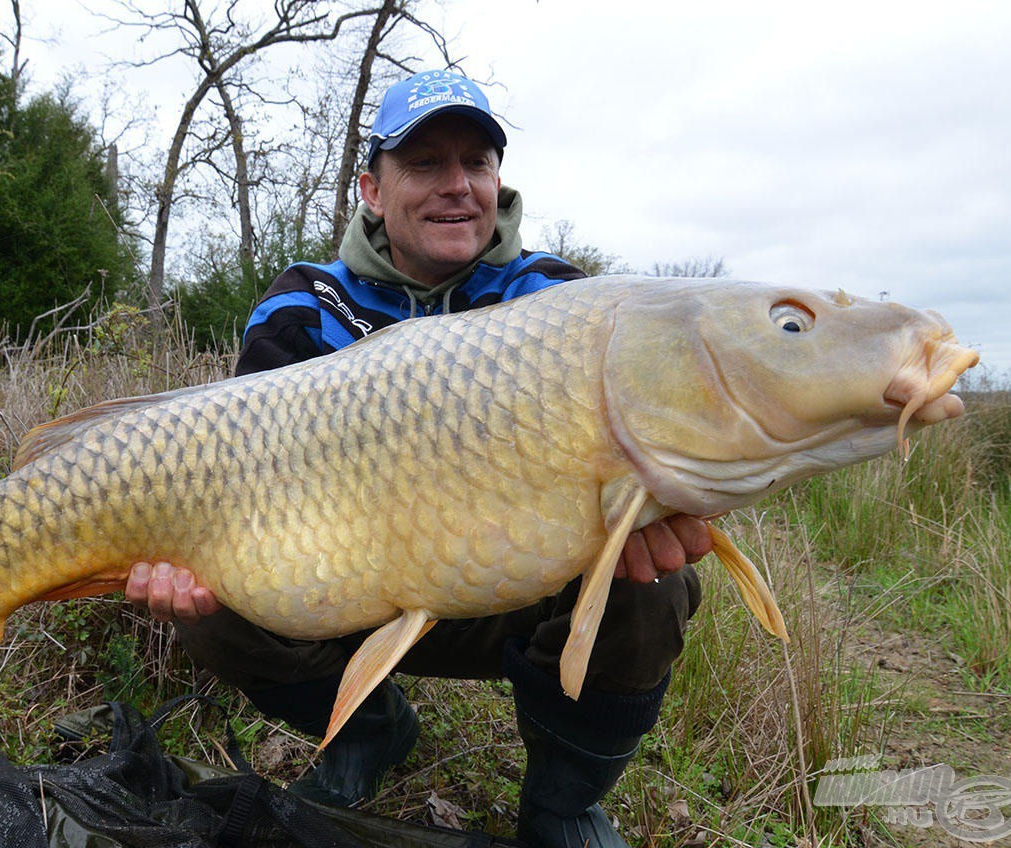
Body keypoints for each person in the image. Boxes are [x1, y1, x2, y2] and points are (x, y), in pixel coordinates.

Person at [125, 69, 711, 848]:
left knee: (654, 584)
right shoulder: (303, 303)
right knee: (217, 599)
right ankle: (367, 731)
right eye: (425, 164)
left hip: (511, 585)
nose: (457, 186)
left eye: (476, 163)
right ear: (371, 188)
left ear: (498, 180)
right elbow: (242, 484)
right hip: (342, 591)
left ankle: (563, 799)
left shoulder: (557, 301)